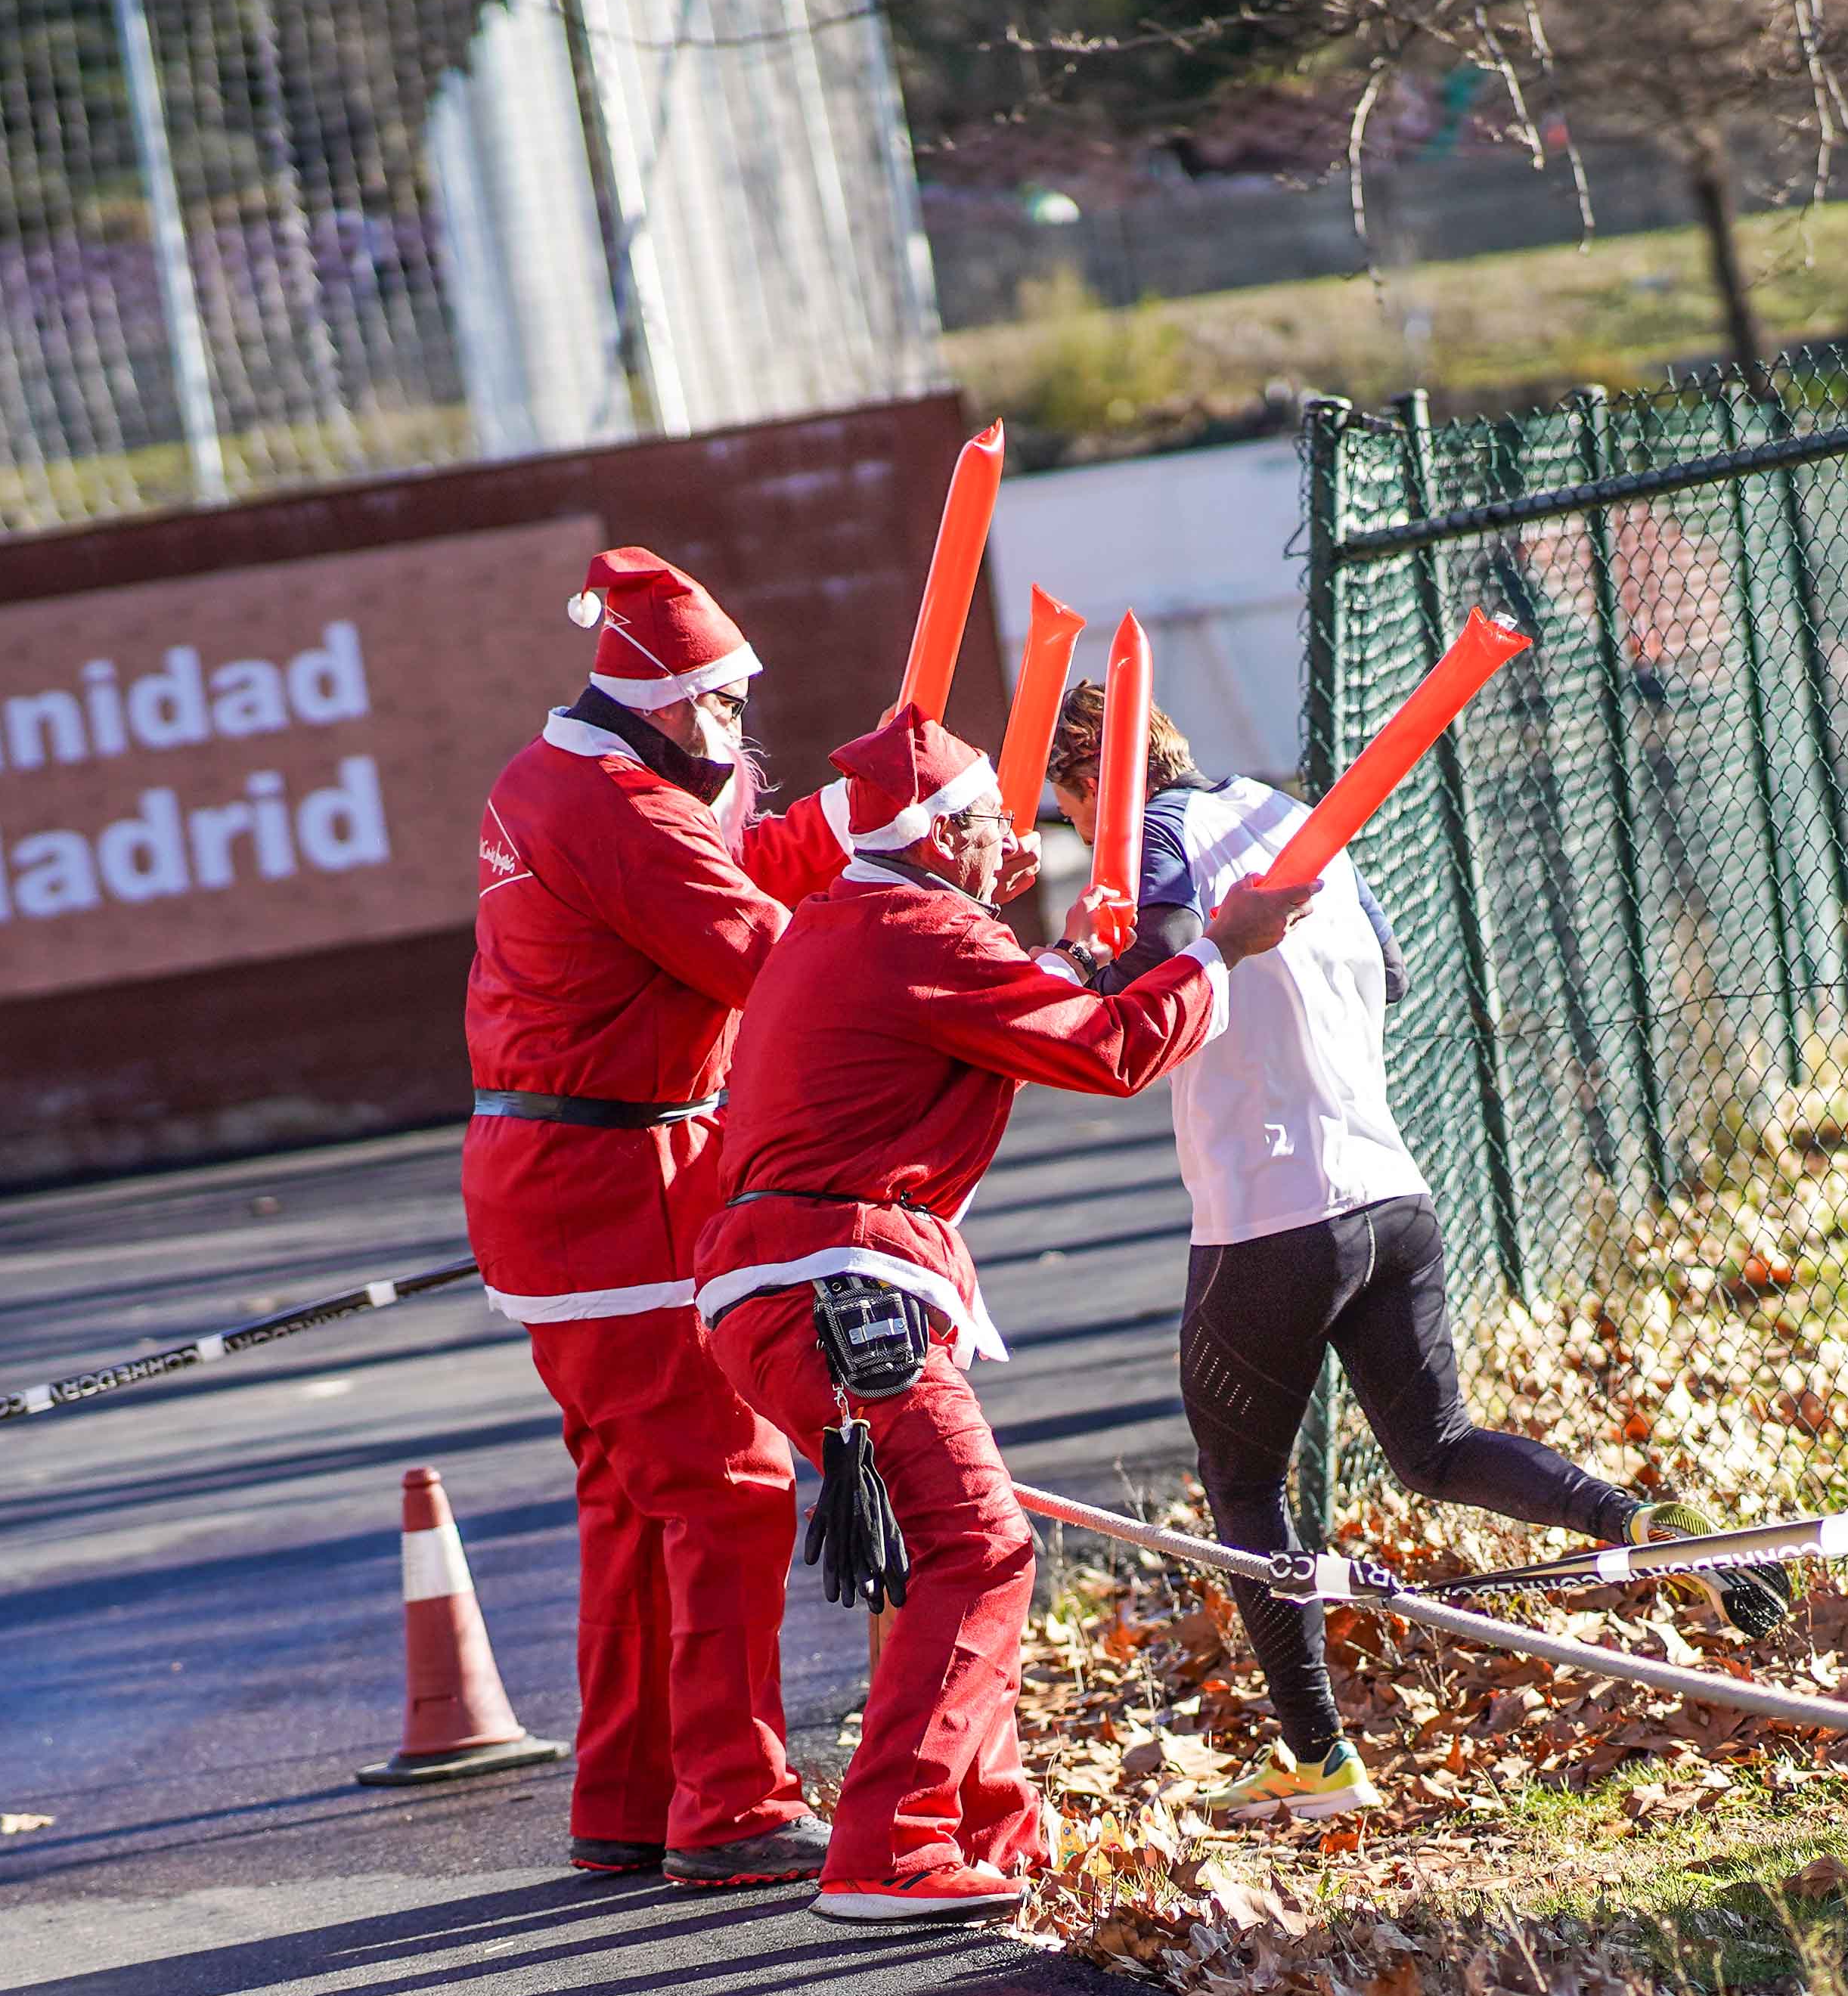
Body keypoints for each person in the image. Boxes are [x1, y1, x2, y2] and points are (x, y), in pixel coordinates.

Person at [1044, 683, 1780, 1825]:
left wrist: (1080, 965)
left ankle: (1322, 1760)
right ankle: (1639, 1525)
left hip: (1267, 1208)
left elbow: (1163, 955)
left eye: (1066, 804)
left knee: (1243, 1490)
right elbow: (1389, 970)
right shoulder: (1292, 816)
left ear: (1098, 782)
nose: (1076, 829)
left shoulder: (1146, 837)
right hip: (1390, 1188)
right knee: (1436, 1448)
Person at [694, 705, 1316, 1923]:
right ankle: (894, 1847)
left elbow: (1016, 1002)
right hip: (840, 1284)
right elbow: (1110, 1051)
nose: (1015, 836)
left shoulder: (854, 919)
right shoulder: (921, 929)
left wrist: (1088, 963)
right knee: (981, 1546)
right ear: (939, 837)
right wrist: (1219, 954)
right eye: (989, 817)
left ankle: (987, 1824)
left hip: (793, 1285)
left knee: (955, 1544)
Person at [465, 546, 857, 1888]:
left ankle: (633, 1792)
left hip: (584, 1186)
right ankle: (732, 1802)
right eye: (729, 704)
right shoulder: (618, 803)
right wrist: (925, 935)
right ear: (678, 702)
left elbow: (736, 872)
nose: (743, 729)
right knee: (728, 1489)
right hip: (615, 1190)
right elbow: (765, 953)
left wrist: (861, 825)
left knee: (637, 1502)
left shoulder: (567, 782)